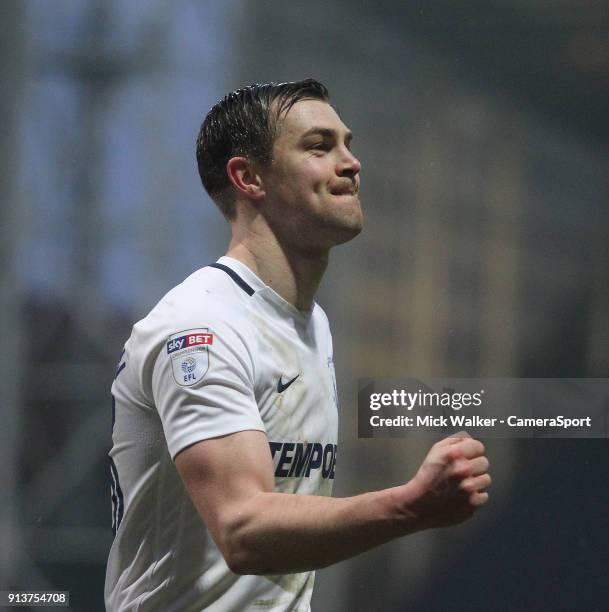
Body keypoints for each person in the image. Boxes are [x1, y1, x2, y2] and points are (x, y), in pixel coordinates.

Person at [105, 79, 491, 611]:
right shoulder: (202, 328)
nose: (351, 162)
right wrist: (410, 505)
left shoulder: (311, 322)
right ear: (248, 177)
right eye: (319, 146)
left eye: (347, 144)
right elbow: (244, 530)